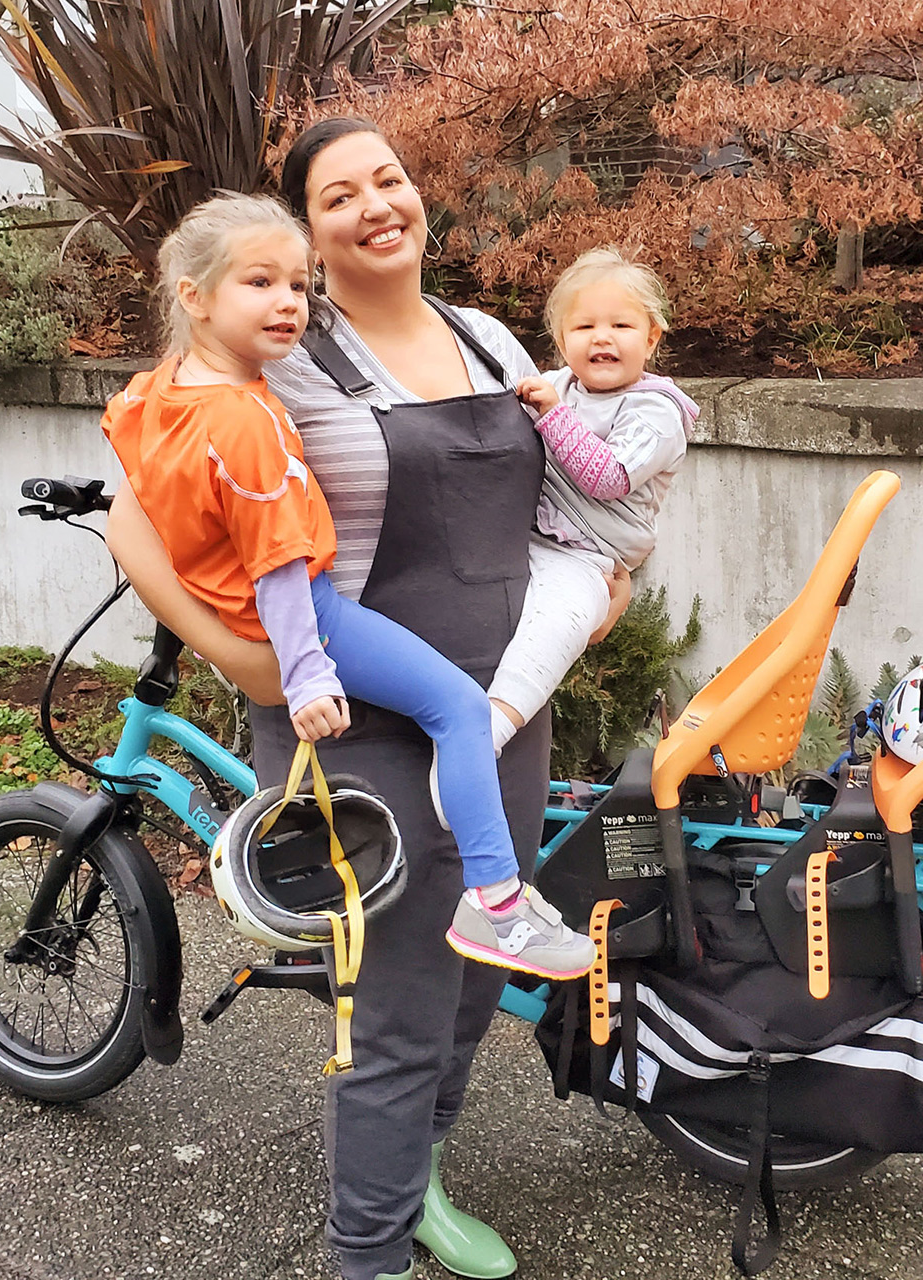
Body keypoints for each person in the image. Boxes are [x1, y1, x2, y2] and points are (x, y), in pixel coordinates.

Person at [105, 119, 630, 1280]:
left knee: (480, 970)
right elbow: (130, 509)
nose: (374, 204)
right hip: (357, 715)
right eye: (338, 195)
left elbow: (572, 495)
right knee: (396, 992)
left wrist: (607, 584)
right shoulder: (279, 344)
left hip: (499, 705)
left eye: (388, 178)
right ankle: (366, 1248)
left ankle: (415, 1173)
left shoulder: (487, 336)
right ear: (308, 229)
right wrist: (236, 656)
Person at [99, 192, 595, 983]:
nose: (289, 303)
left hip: (255, 605)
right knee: (459, 709)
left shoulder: (157, 394)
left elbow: (136, 460)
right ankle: (499, 903)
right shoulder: (247, 421)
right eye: (259, 283)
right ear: (193, 297)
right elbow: (279, 565)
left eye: (298, 286)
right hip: (308, 615)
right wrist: (304, 673)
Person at [490, 246, 698, 754]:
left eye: (621, 327)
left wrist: (553, 415)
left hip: (588, 556)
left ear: (651, 338)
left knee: (556, 627)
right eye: (583, 328)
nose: (602, 337)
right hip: (526, 535)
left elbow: (609, 477)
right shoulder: (558, 386)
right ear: (562, 341)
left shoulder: (658, 412)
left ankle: (490, 727)